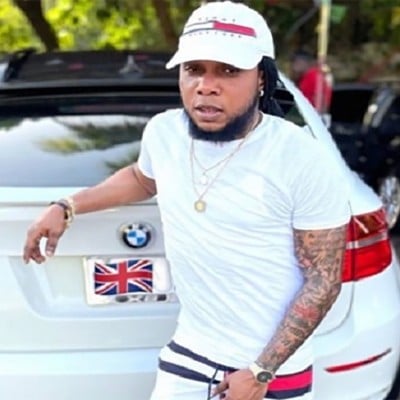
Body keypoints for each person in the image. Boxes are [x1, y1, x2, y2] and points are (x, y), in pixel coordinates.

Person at [23, 2, 350, 400]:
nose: (206, 86)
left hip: (271, 371)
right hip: (190, 353)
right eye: (194, 69)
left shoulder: (299, 156)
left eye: (228, 71)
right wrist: (67, 207)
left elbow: (323, 280)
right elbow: (141, 178)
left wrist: (261, 371)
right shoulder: (165, 132)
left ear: (262, 79)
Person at [290, 49, 333, 115]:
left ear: (304, 62)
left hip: (313, 114)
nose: (293, 66)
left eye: (296, 62)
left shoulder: (312, 76)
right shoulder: (309, 76)